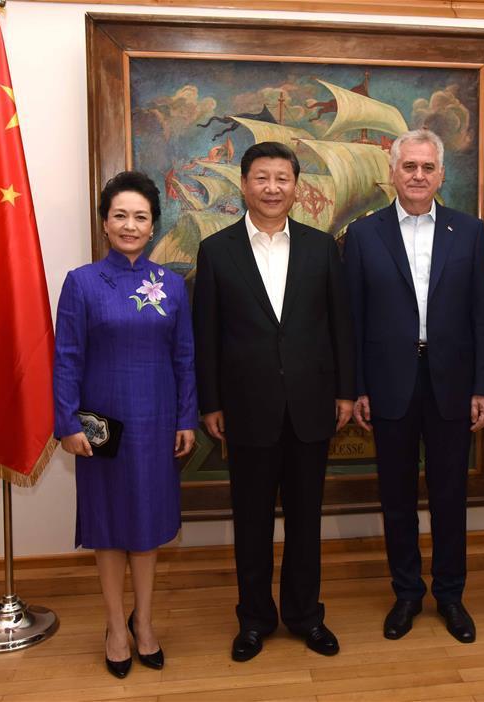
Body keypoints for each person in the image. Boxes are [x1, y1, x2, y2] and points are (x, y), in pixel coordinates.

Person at [193, 141, 356, 662]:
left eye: (282, 178)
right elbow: (207, 336)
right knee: (253, 521)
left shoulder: (320, 247)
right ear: (244, 185)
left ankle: (307, 615)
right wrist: (211, 402)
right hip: (245, 409)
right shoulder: (216, 252)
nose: (271, 188)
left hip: (312, 405)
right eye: (261, 178)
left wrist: (346, 392)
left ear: (295, 186)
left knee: (307, 519)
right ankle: (255, 619)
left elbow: (340, 327)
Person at [344, 129, 484, 645]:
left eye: (427, 168)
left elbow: (483, 317)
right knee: (397, 496)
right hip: (390, 384)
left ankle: (451, 594)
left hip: (452, 383)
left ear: (441, 175)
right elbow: (354, 321)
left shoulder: (469, 232)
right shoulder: (364, 235)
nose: (417, 176)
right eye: (408, 166)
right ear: (392, 172)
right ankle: (407, 592)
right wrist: (359, 385)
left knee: (451, 495)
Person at [53, 171, 197, 677]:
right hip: (99, 423)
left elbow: (185, 357)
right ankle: (115, 625)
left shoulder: (173, 285)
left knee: (148, 526)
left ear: (153, 225)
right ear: (105, 223)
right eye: (120, 216)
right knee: (110, 526)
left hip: (157, 420)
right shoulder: (82, 282)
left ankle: (146, 622)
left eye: (140, 217)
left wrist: (186, 417)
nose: (130, 225)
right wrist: (67, 422)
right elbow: (66, 357)